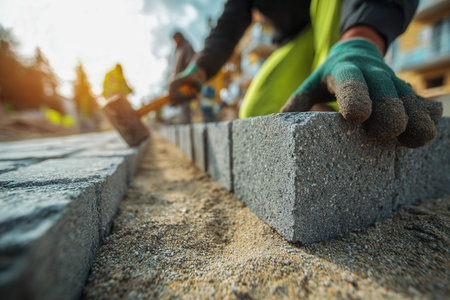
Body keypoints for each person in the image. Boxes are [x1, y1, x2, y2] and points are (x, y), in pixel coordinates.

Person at [170, 0, 442, 148]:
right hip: (296, 41)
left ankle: (351, 84)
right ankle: (319, 107)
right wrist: (200, 67)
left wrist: (361, 38)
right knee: (256, 108)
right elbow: (228, 25)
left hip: (343, 21)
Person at [171, 31, 195, 124]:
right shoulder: (178, 50)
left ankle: (188, 124)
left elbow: (189, 63)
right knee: (182, 106)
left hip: (186, 81)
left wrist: (183, 77)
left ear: (179, 37)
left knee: (186, 105)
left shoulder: (187, 47)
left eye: (175, 39)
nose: (175, 42)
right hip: (179, 83)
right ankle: (185, 124)